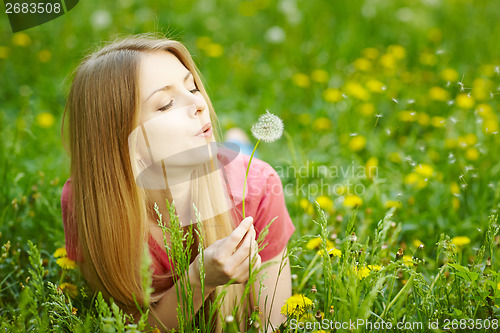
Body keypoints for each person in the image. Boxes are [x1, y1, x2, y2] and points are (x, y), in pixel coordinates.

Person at [60, 33, 295, 333]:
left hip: (231, 177)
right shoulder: (87, 204)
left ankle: (239, 143)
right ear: (120, 140)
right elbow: (131, 326)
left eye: (192, 86)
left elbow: (273, 324)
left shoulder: (257, 188)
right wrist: (200, 279)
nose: (198, 103)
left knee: (241, 160)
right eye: (166, 103)